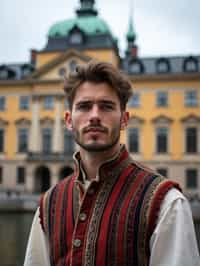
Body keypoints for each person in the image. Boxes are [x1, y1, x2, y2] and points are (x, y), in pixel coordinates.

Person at [24, 61, 200, 266]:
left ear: (124, 119)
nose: (95, 116)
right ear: (69, 120)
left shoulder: (167, 204)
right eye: (84, 106)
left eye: (106, 106)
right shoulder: (49, 205)